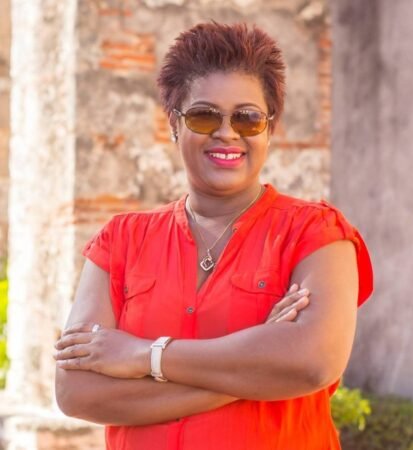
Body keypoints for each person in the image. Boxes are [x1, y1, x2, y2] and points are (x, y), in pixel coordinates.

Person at [54, 22, 373, 450]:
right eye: (204, 115)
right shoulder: (121, 241)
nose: (227, 132)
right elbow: (76, 391)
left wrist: (142, 355)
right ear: (175, 123)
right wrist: (255, 371)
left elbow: (312, 364)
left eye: (247, 117)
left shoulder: (315, 234)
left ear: (269, 128)